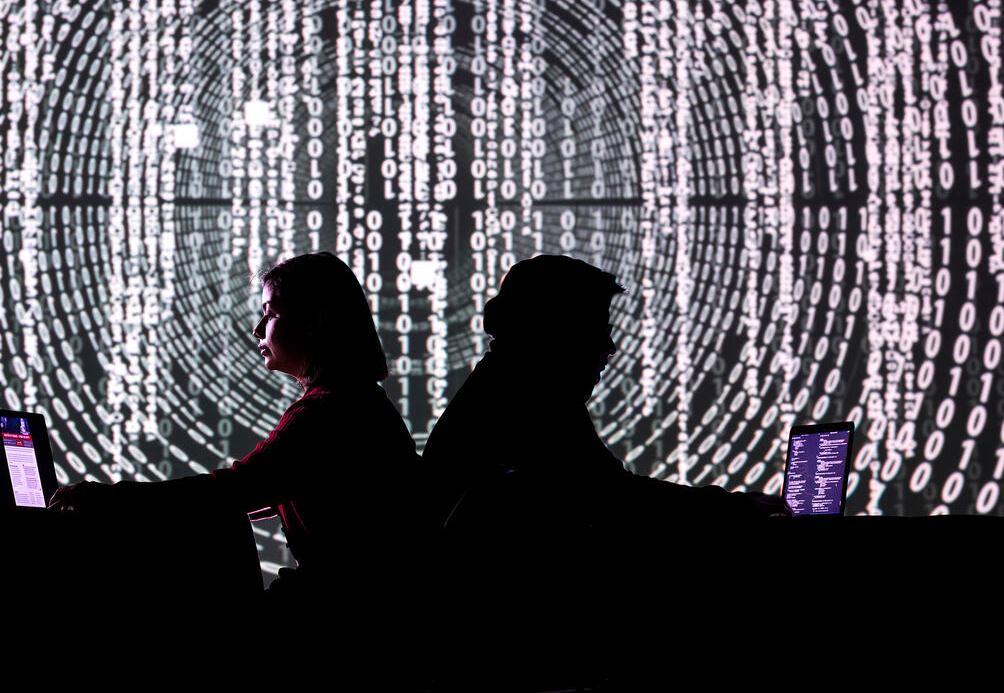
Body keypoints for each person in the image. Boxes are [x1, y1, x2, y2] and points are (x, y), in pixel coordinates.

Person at [49, 252, 438, 602]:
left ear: (313, 320)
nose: (258, 330)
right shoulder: (360, 400)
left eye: (270, 313)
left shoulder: (324, 412)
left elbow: (235, 489)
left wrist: (105, 499)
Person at [424, 254, 790, 538]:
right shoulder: (531, 402)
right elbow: (616, 498)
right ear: (553, 332)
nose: (610, 348)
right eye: (594, 331)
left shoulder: (503, 387)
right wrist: (738, 507)